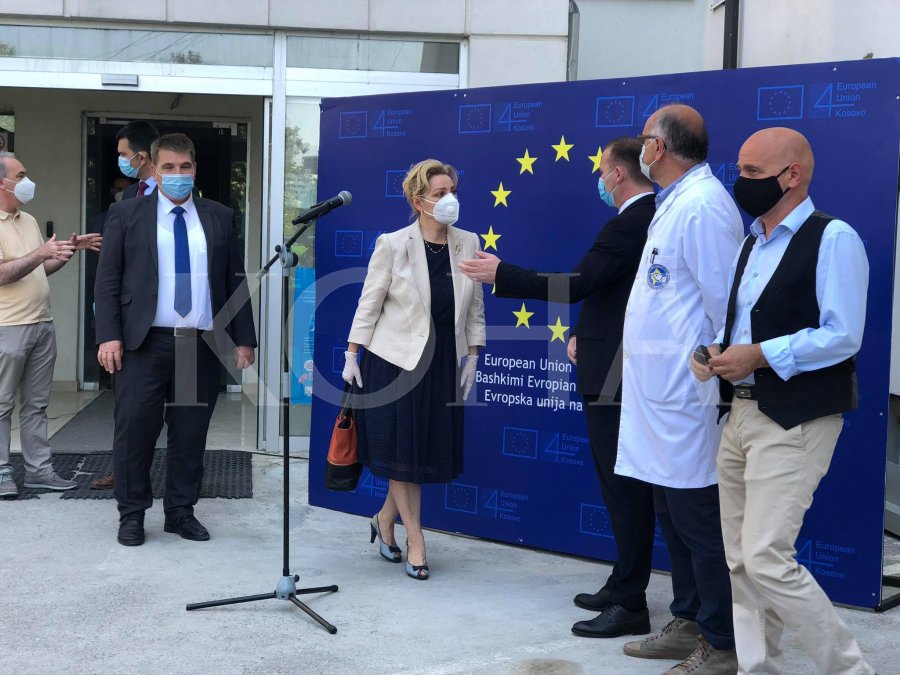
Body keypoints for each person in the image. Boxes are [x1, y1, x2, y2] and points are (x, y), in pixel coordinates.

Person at [692, 127, 875, 674]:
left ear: (792, 175)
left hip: (795, 419)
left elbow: (843, 335)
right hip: (740, 413)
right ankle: (759, 669)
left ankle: (850, 670)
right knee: (741, 560)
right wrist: (717, 352)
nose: (740, 181)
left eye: (752, 173)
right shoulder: (751, 242)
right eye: (740, 169)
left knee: (767, 556)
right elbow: (743, 324)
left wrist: (758, 356)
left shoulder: (834, 238)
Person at [458, 137, 658, 637]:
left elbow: (579, 283)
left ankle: (630, 601)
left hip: (617, 374)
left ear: (618, 174)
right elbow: (615, 292)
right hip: (614, 363)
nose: (600, 178)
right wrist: (582, 333)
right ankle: (624, 582)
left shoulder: (632, 221)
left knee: (624, 488)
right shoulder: (645, 219)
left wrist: (501, 273)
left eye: (603, 170)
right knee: (621, 486)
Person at [614, 105, 744, 674]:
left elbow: (727, 306)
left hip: (688, 395)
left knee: (698, 518)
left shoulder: (704, 206)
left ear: (658, 147)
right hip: (657, 393)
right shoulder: (676, 202)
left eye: (645, 139)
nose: (641, 148)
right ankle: (689, 618)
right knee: (670, 510)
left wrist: (712, 364)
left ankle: (721, 642)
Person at [94, 133, 256, 546]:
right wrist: (109, 336)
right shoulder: (126, 214)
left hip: (198, 345)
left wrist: (244, 338)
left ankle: (181, 512)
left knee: (189, 434)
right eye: (168, 167)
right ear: (155, 169)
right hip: (142, 344)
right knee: (135, 432)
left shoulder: (219, 216)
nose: (177, 174)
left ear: (195, 169)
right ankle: (132, 514)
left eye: (185, 167)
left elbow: (234, 280)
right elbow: (107, 281)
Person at [343, 158, 485, 580]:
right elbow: (369, 302)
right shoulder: (392, 244)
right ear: (418, 200)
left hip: (441, 363)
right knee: (403, 453)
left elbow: (474, 308)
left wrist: (473, 355)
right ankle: (417, 540)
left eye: (452, 191)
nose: (449, 199)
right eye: (440, 193)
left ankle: (384, 519)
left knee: (417, 453)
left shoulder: (468, 242)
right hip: (395, 362)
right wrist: (352, 353)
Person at [0, 151, 102, 498]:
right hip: (8, 326)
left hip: (42, 323)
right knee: (1, 404)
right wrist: (40, 253)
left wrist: (67, 251)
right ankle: (2, 472)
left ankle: (39, 471)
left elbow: (38, 268)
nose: (27, 181)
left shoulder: (27, 220)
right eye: (21, 175)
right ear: (2, 182)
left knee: (37, 405)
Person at [89, 120, 159, 490]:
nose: (120, 160)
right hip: (132, 327)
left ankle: (185, 479)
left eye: (122, 154)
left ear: (141, 156)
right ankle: (125, 471)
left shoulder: (185, 199)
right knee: (129, 409)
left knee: (184, 411)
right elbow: (111, 271)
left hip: (176, 325)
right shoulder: (128, 198)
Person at [116, 120, 160, 199]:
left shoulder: (170, 192)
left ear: (141, 158)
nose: (120, 159)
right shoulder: (128, 193)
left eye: (123, 154)